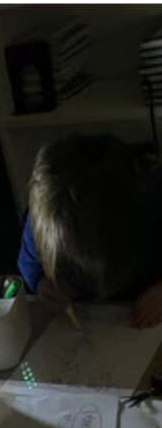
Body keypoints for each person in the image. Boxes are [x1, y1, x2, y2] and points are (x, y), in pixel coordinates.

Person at [18, 134, 162, 328]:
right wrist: (41, 283)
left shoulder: (154, 201)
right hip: (86, 320)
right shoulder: (45, 222)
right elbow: (28, 263)